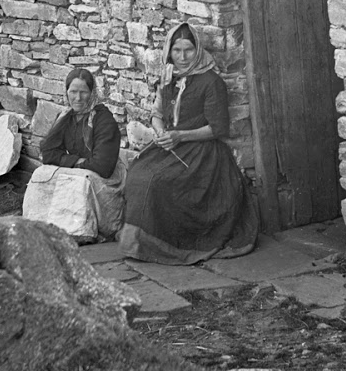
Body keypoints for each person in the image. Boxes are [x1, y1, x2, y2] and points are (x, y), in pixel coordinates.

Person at [117, 21, 259, 264]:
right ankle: (136, 242)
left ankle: (170, 244)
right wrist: (160, 131)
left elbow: (217, 128)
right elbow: (157, 112)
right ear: (169, 51)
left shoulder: (211, 82)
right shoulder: (168, 78)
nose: (182, 57)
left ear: (198, 51)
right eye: (177, 51)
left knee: (158, 181)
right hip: (171, 145)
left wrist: (180, 136)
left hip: (202, 152)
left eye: (188, 50)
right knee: (138, 173)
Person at [23, 68, 124, 242]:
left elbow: (103, 166)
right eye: (73, 92)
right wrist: (76, 161)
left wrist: (69, 162)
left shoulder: (103, 119)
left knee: (78, 182)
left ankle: (78, 232)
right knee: (41, 174)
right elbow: (48, 154)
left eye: (83, 92)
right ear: (66, 92)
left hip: (106, 179)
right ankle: (38, 226)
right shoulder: (65, 116)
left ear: (92, 93)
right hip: (82, 168)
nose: (78, 98)